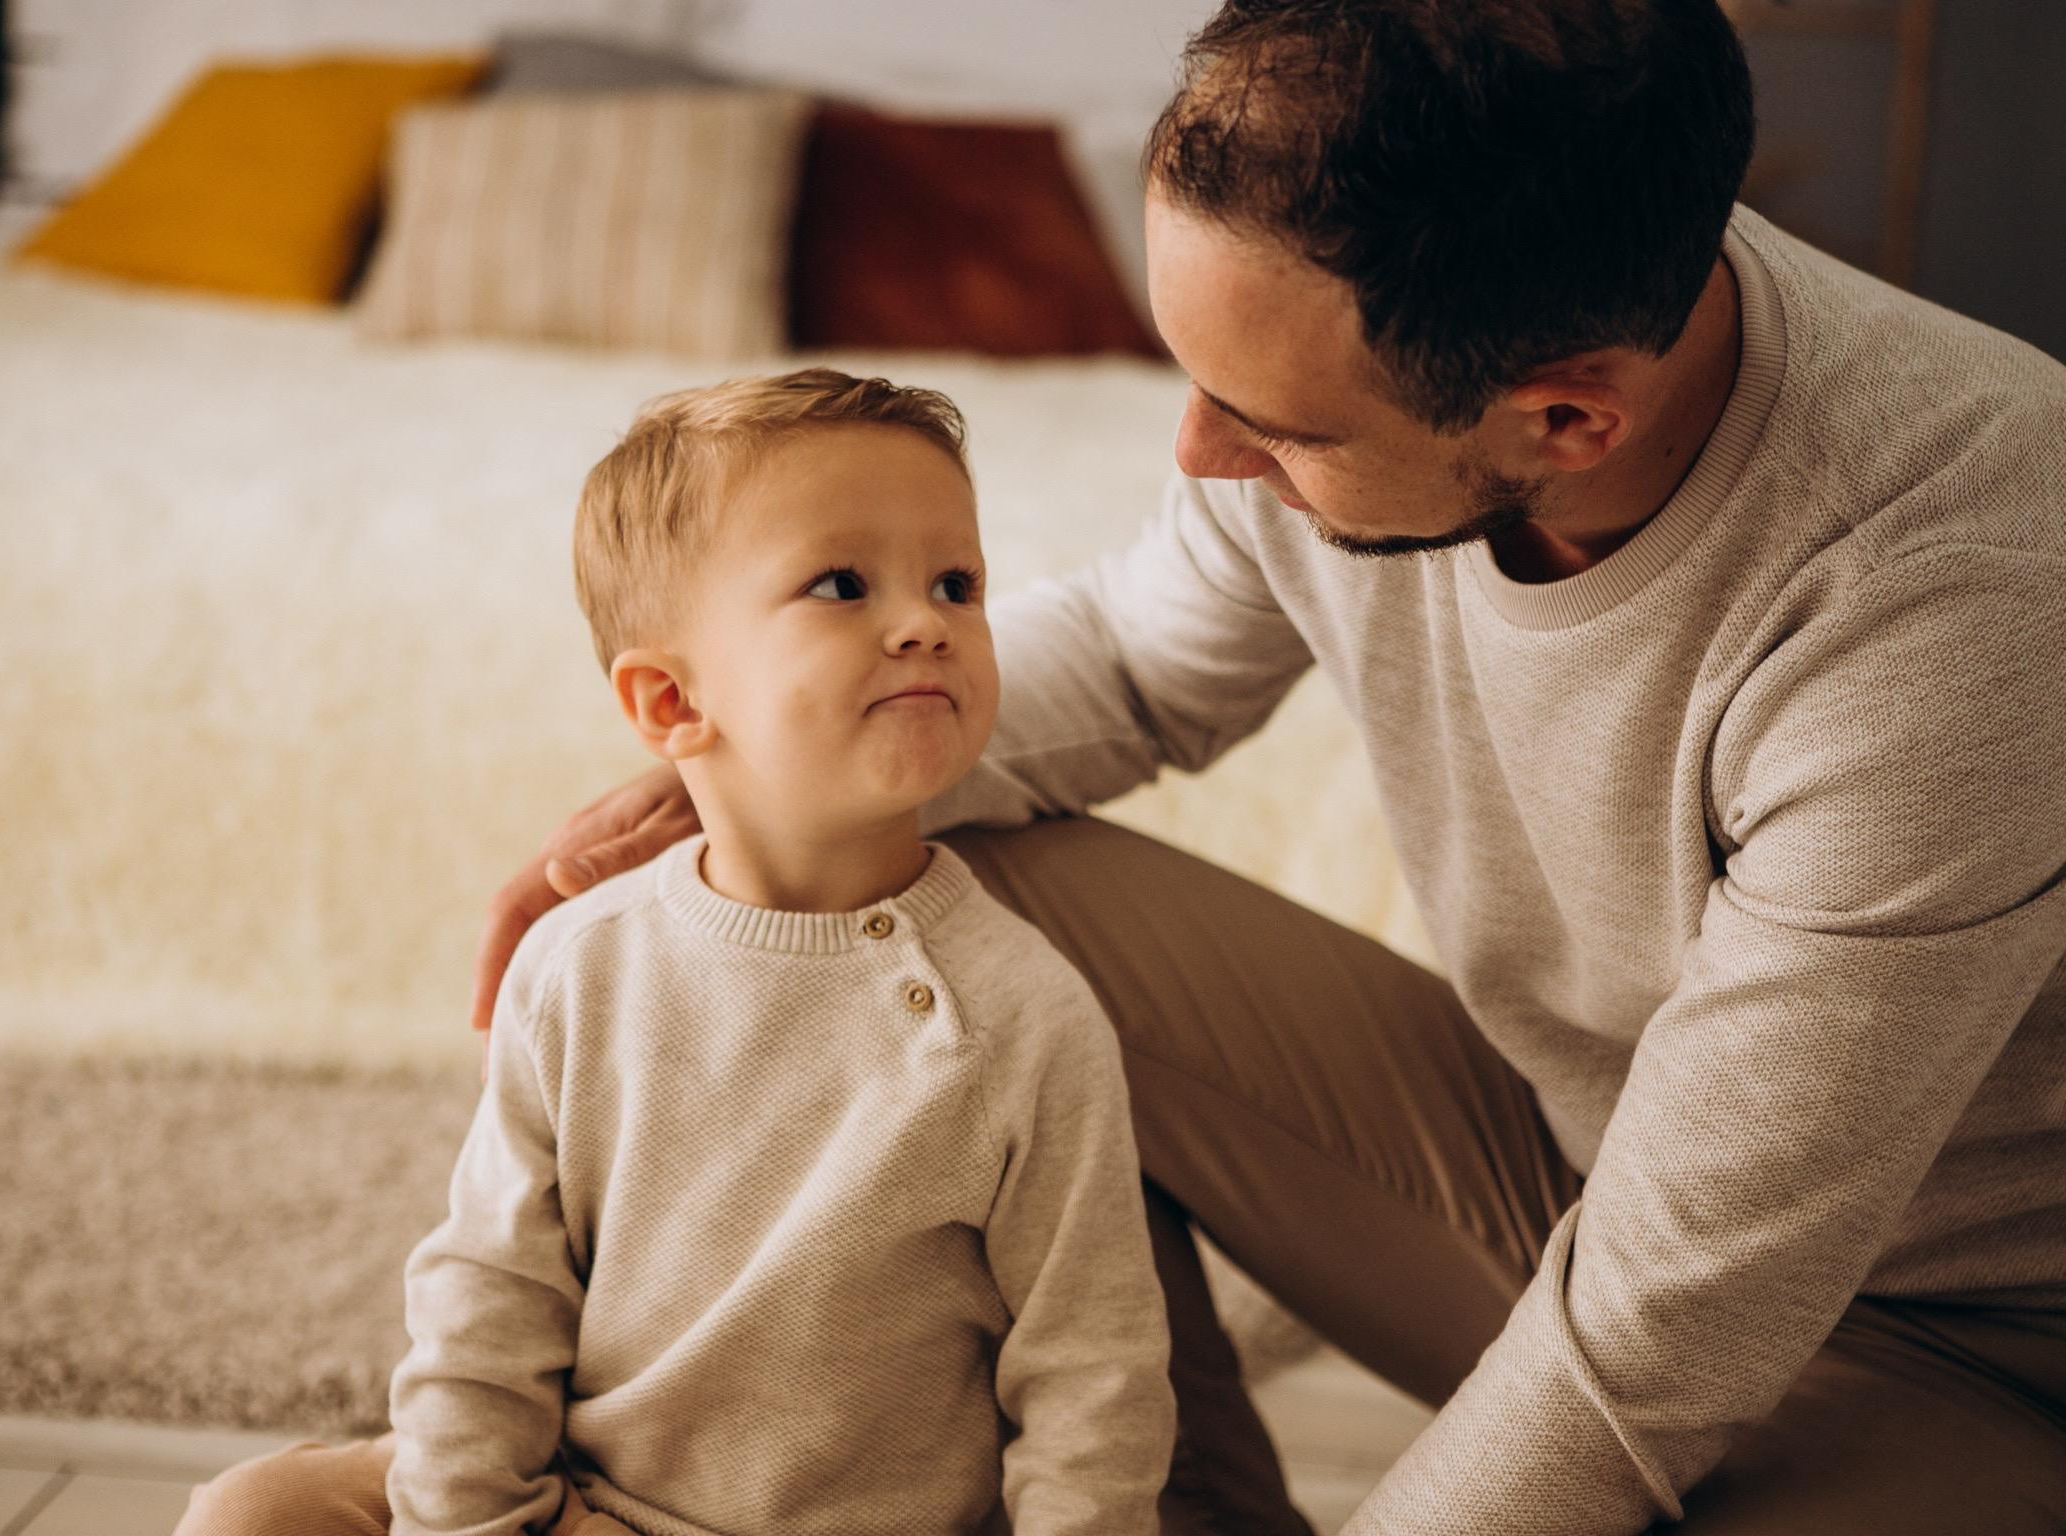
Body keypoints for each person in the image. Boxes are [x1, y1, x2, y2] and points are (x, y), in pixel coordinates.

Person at [477, 4, 2066, 1534]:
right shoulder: (1425, 296)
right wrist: (731, 802)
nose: (1198, 455)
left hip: (1957, 1347)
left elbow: (1668, 1331)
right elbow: (1137, 660)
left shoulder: (1958, 596)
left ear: (1569, 417)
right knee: (948, 881)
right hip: (1571, 1179)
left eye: (1276, 429)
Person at [172, 369, 1176, 1536]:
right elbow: (490, 1298)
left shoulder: (1022, 1015)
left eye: (958, 582)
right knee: (257, 1511)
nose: (925, 621)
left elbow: (1090, 1378)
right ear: (668, 704)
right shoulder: (580, 969)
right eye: (843, 585)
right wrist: (466, 1522)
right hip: (589, 1505)